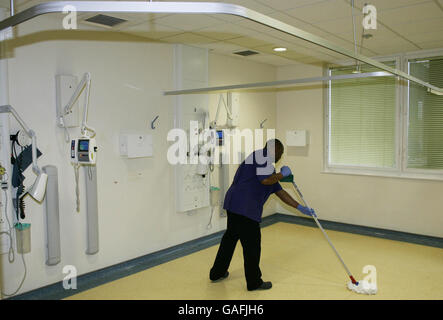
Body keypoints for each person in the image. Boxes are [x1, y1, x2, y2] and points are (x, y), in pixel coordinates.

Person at [209, 139, 316, 291]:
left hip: (234, 205)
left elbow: (280, 192)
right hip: (245, 208)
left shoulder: (267, 166)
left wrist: (300, 207)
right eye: (280, 152)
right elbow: (266, 180)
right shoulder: (261, 157)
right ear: (273, 150)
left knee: (230, 239)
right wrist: (281, 174)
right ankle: (254, 282)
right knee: (252, 245)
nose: (281, 155)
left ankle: (217, 273)